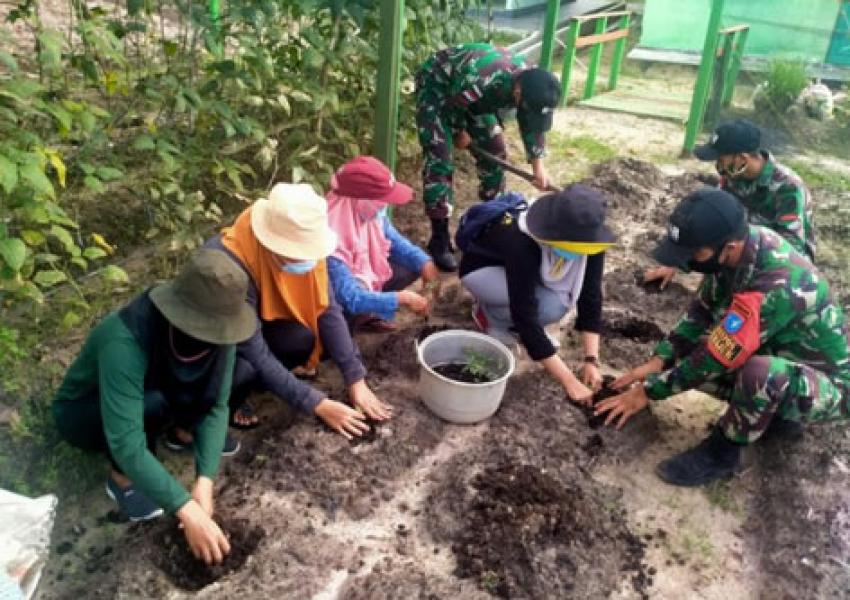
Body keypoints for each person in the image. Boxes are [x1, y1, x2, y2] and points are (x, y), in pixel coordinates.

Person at [596, 189, 849, 487]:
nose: (687, 262)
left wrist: (648, 392)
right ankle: (775, 416)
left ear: (728, 247)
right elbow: (701, 311)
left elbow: (716, 357)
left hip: (829, 388)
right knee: (692, 356)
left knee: (760, 374)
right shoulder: (736, 252)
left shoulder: (778, 283)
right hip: (779, 352)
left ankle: (722, 454)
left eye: (694, 253)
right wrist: (659, 359)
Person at [53, 249, 257, 563]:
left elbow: (216, 404)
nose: (216, 338)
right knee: (153, 404)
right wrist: (185, 508)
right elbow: (125, 441)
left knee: (235, 374)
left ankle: (173, 437)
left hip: (156, 389)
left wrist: (205, 480)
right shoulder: (124, 337)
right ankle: (121, 480)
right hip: (86, 412)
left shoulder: (221, 331)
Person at [205, 182, 391, 439]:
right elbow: (253, 348)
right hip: (219, 340)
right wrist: (317, 403)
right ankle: (223, 405)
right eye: (297, 255)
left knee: (300, 340)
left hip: (261, 320)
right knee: (242, 369)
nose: (307, 262)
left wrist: (355, 378)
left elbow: (328, 309)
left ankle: (267, 382)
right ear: (272, 244)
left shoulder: (305, 247)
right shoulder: (229, 266)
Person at [458, 184, 615, 403]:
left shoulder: (590, 239)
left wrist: (591, 360)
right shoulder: (521, 239)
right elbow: (525, 316)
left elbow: (590, 295)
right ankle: (491, 317)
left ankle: (515, 325)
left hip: (520, 272)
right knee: (544, 308)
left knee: (556, 303)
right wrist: (570, 381)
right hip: (482, 271)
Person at [416, 42, 561, 272]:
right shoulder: (481, 78)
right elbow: (453, 106)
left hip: (474, 98)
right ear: (518, 92)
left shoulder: (535, 84)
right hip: (441, 90)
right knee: (440, 159)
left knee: (496, 151)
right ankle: (439, 238)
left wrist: (538, 166)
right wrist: (457, 130)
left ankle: (491, 222)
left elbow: (531, 123)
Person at [645, 119, 815, 289]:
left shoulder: (789, 188)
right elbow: (711, 226)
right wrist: (675, 262)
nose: (718, 165)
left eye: (721, 159)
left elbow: (792, 249)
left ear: (742, 158)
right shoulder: (732, 180)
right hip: (738, 250)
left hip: (782, 268)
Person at [325, 156, 441, 331]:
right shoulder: (329, 239)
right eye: (381, 200)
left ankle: (367, 314)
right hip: (338, 301)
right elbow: (348, 296)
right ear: (359, 201)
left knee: (410, 265)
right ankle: (349, 325)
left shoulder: (368, 215)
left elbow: (395, 241)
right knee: (344, 311)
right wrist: (401, 298)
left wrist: (426, 263)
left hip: (361, 279)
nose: (385, 206)